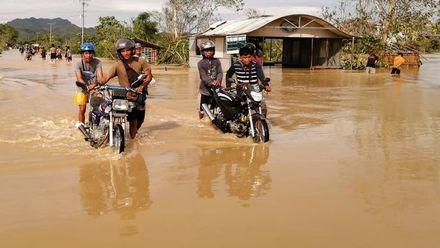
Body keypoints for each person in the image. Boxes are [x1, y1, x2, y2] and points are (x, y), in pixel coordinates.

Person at [103, 38, 153, 138]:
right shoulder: (117, 65)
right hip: (127, 97)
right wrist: (96, 84)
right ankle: (133, 143)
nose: (125, 53)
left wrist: (142, 86)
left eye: (127, 50)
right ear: (119, 53)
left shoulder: (141, 61)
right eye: (122, 51)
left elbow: (149, 76)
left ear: (132, 50)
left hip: (140, 95)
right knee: (133, 121)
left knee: (141, 120)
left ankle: (133, 135)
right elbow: (106, 78)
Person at [226, 46, 271, 115]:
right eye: (245, 57)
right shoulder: (235, 65)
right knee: (236, 110)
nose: (247, 59)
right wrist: (228, 87)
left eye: (249, 57)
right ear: (241, 57)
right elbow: (228, 75)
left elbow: (261, 77)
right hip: (241, 91)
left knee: (263, 109)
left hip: (255, 91)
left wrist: (266, 85)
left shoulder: (256, 65)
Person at [74, 43, 104, 125]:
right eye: (86, 53)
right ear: (82, 54)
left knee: (98, 108)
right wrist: (86, 86)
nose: (88, 55)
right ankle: (82, 126)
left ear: (93, 54)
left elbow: (100, 77)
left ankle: (96, 126)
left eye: (90, 53)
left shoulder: (98, 62)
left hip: (94, 87)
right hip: (82, 87)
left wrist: (94, 85)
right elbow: (79, 78)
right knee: (82, 109)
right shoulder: (78, 64)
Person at [197, 40, 223, 119]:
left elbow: (220, 72)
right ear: (203, 52)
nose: (209, 52)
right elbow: (203, 76)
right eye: (207, 50)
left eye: (211, 50)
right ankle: (200, 120)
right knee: (202, 109)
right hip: (205, 90)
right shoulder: (201, 63)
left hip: (216, 88)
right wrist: (211, 82)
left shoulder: (217, 61)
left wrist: (218, 81)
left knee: (217, 108)